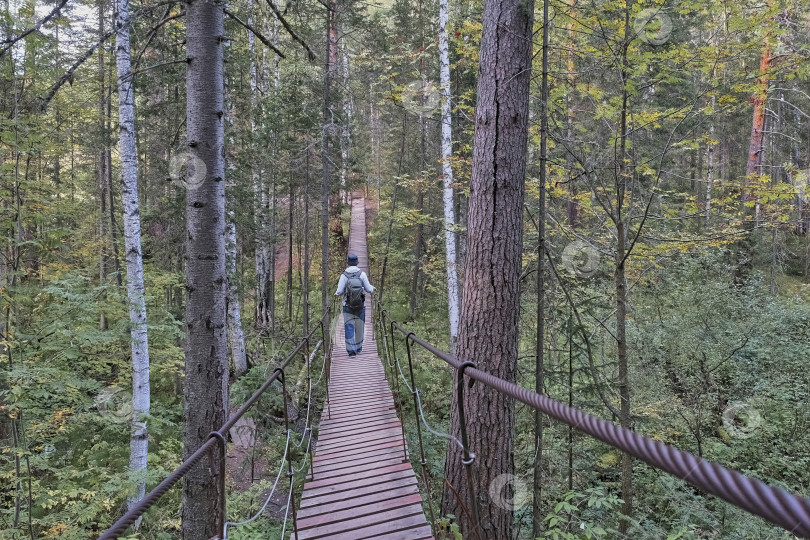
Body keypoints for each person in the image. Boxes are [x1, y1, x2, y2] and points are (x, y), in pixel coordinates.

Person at [335, 253, 375, 356]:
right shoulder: (362, 274)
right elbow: (368, 289)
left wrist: (336, 293)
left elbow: (339, 291)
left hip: (347, 306)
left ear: (348, 262)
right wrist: (372, 288)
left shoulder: (344, 275)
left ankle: (351, 351)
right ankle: (358, 348)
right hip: (361, 306)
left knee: (349, 327)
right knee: (359, 327)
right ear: (357, 262)